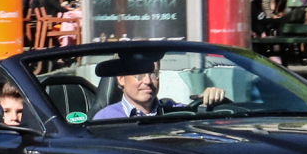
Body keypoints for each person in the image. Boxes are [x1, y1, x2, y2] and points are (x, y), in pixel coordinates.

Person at [93, 57, 227, 119]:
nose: (147, 81)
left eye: (153, 74)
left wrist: (211, 102)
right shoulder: (105, 119)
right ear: (121, 79)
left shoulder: (174, 111)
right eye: (138, 75)